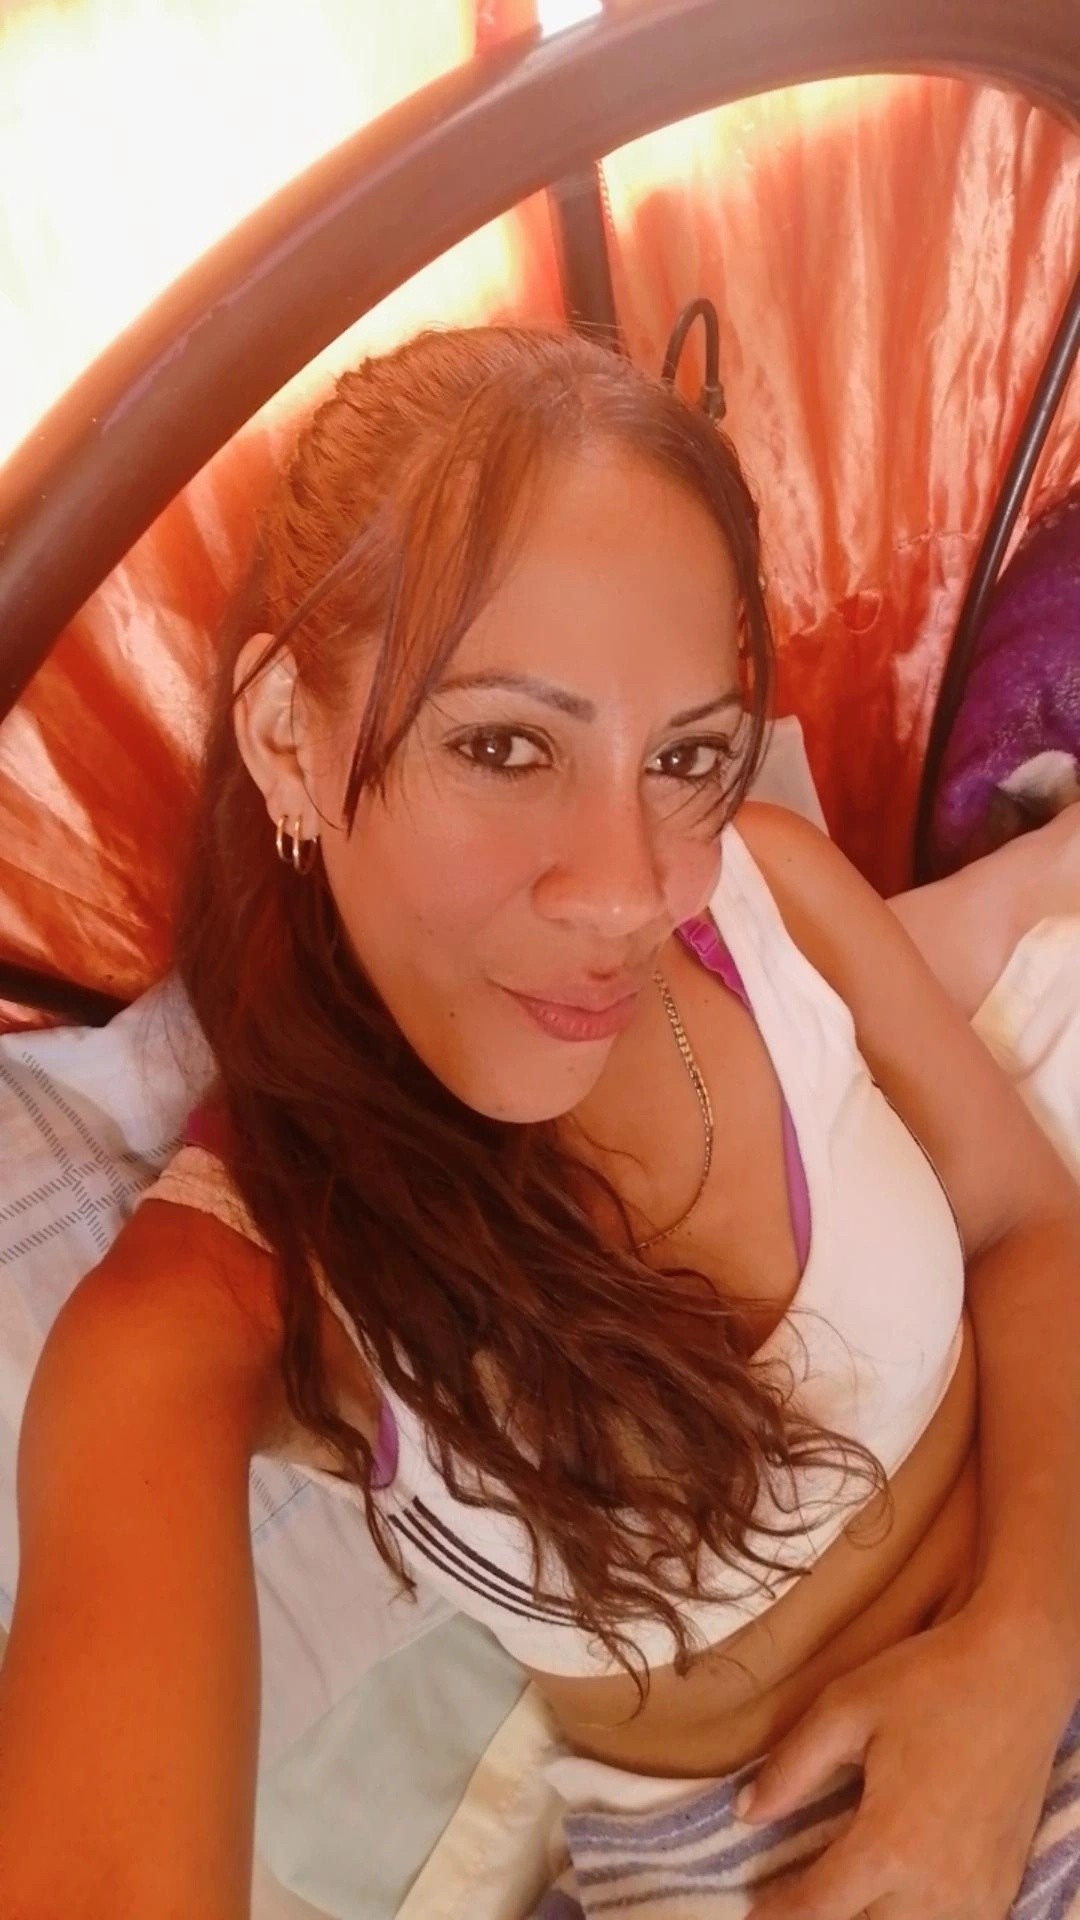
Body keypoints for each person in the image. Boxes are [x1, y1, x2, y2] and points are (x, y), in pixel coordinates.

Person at [0, 326, 1077, 1920]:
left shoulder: (764, 895)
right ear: (289, 736)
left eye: (684, 755)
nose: (629, 892)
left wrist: (1021, 1661)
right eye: (505, 745)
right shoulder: (214, 1299)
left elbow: (1031, 1223)